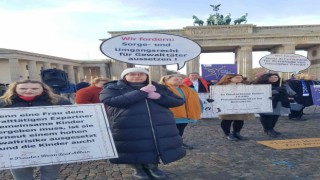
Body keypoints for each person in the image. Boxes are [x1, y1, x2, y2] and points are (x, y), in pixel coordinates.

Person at [99, 67, 186, 180]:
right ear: (125, 76)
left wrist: (159, 96)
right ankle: (138, 169)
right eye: (132, 74)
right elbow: (111, 101)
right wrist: (141, 92)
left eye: (141, 74)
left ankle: (152, 167)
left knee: (153, 146)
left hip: (159, 123)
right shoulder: (113, 87)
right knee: (134, 146)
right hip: (127, 123)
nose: (137, 76)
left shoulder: (158, 87)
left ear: (147, 76)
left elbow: (178, 101)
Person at [0, 80, 71, 180]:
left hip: (51, 144)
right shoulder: (3, 103)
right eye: (23, 88)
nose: (29, 91)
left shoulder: (60, 102)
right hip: (17, 147)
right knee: (22, 176)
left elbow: (71, 121)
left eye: (34, 88)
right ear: (15, 89)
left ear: (43, 89)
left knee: (50, 175)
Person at [160, 74, 201, 149]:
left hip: (185, 114)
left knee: (180, 130)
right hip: (170, 115)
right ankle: (169, 144)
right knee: (170, 131)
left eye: (180, 79)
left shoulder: (187, 89)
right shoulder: (162, 89)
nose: (179, 81)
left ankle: (179, 143)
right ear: (166, 80)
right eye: (176, 79)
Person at [216, 74, 255, 141]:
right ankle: (227, 134)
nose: (240, 79)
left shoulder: (245, 86)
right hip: (227, 106)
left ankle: (237, 133)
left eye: (241, 77)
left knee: (240, 120)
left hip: (241, 106)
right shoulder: (221, 87)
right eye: (237, 77)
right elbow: (215, 96)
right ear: (229, 78)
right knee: (227, 120)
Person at [251, 73, 290, 138]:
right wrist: (275, 91)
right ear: (266, 78)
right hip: (265, 103)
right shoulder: (259, 85)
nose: (274, 79)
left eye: (276, 77)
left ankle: (271, 129)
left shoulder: (282, 85)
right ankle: (267, 129)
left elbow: (289, 92)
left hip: (278, 103)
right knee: (267, 117)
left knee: (275, 116)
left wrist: (281, 89)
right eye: (271, 77)